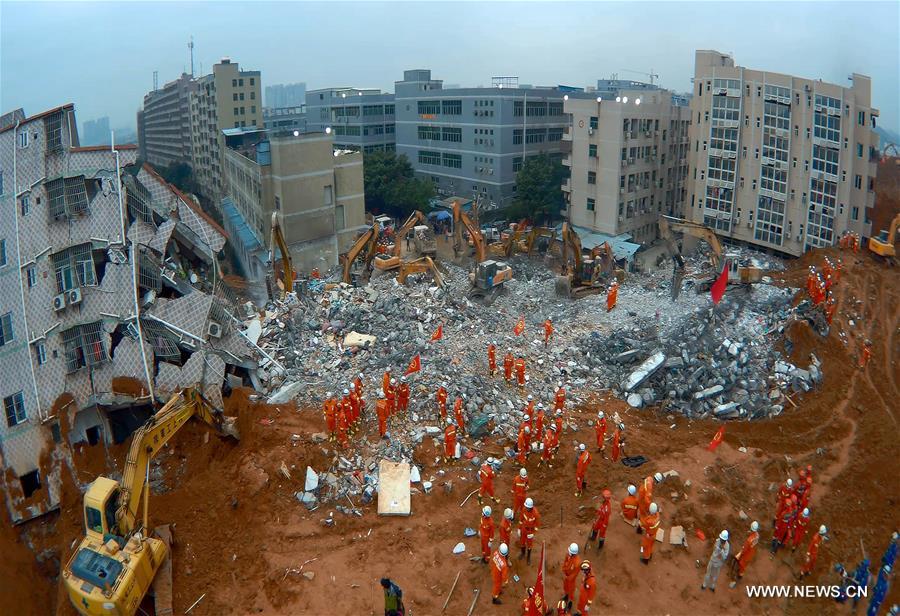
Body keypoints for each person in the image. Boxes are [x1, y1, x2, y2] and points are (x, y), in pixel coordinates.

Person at [729, 521, 760, 588]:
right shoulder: (757, 535)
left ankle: (739, 576)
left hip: (746, 556)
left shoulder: (749, 540)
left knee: (741, 565)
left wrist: (739, 554)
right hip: (751, 553)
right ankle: (740, 573)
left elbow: (744, 550)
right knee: (743, 564)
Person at [519, 497, 541, 564]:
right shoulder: (524, 509)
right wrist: (519, 529)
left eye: (528, 507)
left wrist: (533, 534)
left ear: (531, 507)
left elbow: (537, 525)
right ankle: (523, 553)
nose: (526, 508)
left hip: (530, 531)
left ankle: (528, 557)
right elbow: (520, 519)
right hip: (523, 529)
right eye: (526, 507)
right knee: (522, 543)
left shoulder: (535, 514)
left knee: (529, 545)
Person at [562, 543, 580, 608]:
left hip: (571, 579)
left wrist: (568, 578)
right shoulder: (568, 555)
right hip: (566, 576)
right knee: (565, 587)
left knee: (571, 590)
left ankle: (570, 602)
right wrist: (563, 570)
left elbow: (575, 574)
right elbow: (565, 562)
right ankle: (566, 595)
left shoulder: (577, 563)